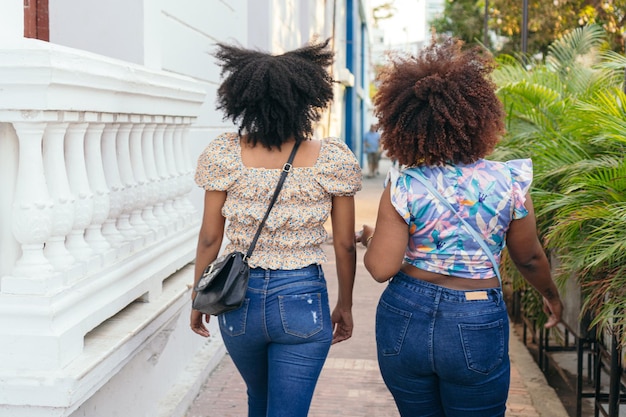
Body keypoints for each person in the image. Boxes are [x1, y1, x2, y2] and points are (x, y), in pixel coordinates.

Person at [355, 37, 563, 417]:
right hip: (476, 316)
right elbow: (529, 257)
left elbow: (381, 267)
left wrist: (372, 239)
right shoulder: (509, 180)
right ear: (480, 116)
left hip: (405, 314)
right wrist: (550, 294)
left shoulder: (404, 183)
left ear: (404, 121)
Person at [190, 38, 362, 417]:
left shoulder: (225, 154)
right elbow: (346, 245)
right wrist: (345, 304)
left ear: (243, 100)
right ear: (306, 100)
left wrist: (198, 297)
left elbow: (209, 237)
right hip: (303, 298)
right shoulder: (331, 158)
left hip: (238, 298)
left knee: (259, 398)